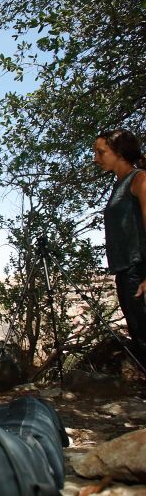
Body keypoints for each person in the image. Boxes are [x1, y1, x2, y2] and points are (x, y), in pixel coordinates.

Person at [94, 129, 146, 361]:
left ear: (119, 152)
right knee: (139, 336)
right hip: (126, 271)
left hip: (139, 270)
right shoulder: (119, 184)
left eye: (101, 152)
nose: (96, 158)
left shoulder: (139, 179)